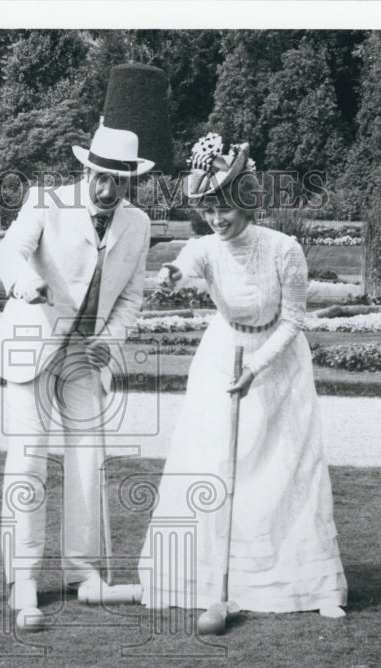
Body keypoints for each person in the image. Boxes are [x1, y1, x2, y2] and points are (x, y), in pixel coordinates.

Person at [138, 134, 347, 619]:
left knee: (284, 468)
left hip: (277, 365)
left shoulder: (284, 248)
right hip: (222, 357)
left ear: (245, 202)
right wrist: (171, 273)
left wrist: (256, 367)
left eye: (223, 210)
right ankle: (201, 579)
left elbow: (295, 319)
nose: (216, 220)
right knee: (211, 463)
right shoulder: (205, 247)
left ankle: (307, 586)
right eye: (208, 211)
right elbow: (186, 260)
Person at [0, 123, 153, 630]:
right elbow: (6, 251)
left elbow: (131, 298)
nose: (107, 191)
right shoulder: (46, 201)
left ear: (129, 181)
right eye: (101, 178)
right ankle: (23, 577)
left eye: (118, 182)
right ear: (87, 169)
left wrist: (110, 340)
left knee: (88, 461)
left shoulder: (137, 224)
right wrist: (23, 281)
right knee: (29, 456)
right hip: (30, 345)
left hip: (84, 356)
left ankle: (85, 572)